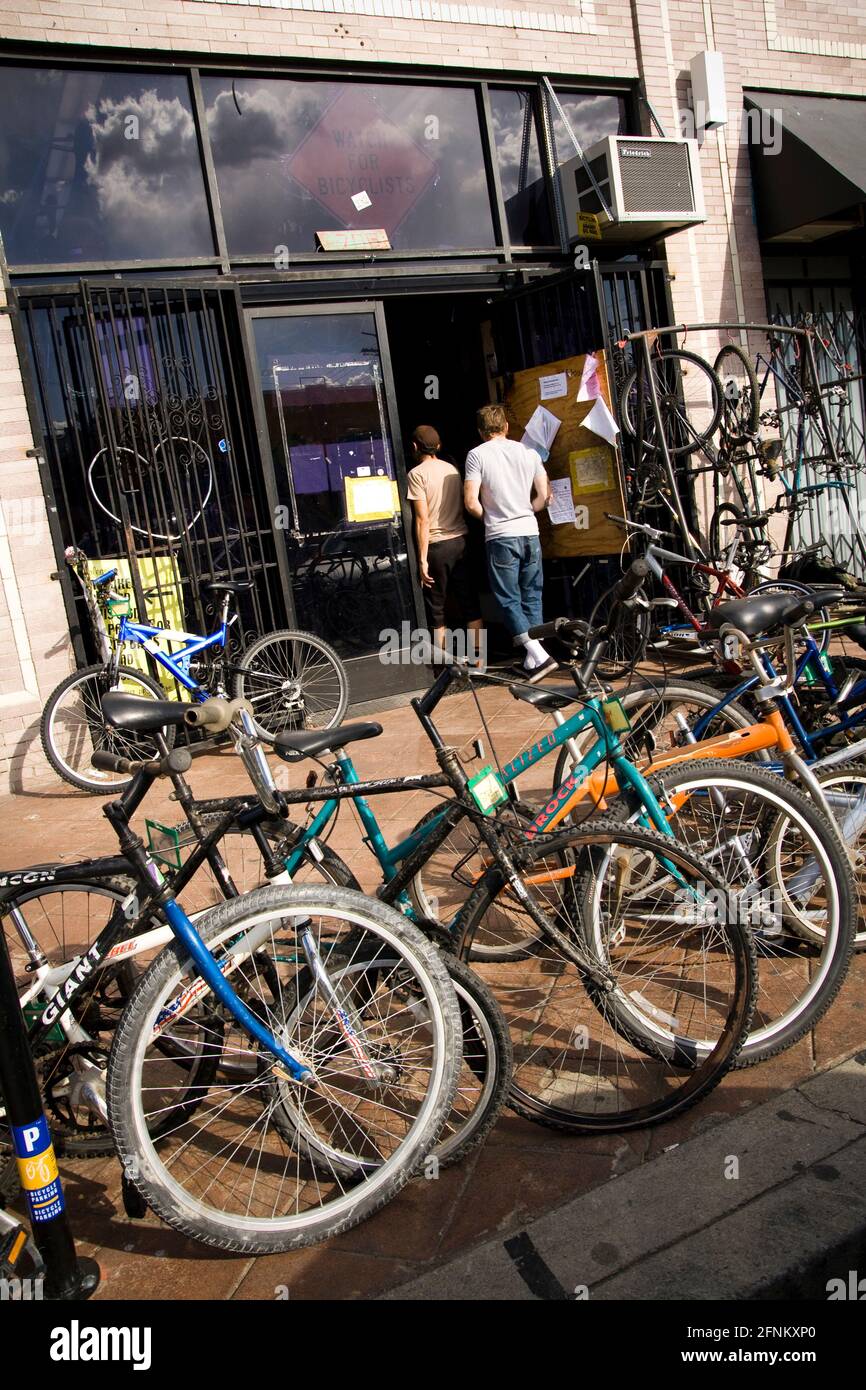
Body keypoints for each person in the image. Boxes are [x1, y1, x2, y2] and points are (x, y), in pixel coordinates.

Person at [463, 403, 556, 681]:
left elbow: (470, 502)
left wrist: (492, 518)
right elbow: (544, 497)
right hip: (530, 531)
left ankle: (538, 654)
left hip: (501, 535)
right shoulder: (529, 453)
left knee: (507, 598)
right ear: (505, 427)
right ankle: (533, 658)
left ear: (481, 431)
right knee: (532, 593)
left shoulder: (476, 455)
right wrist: (527, 510)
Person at [406, 424, 483, 659]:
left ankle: (443, 666)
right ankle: (479, 660)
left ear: (415, 447)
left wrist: (421, 560)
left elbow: (422, 519)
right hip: (460, 540)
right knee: (469, 601)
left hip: (437, 546)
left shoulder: (416, 475)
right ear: (438, 446)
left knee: (437, 609)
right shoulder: (452, 469)